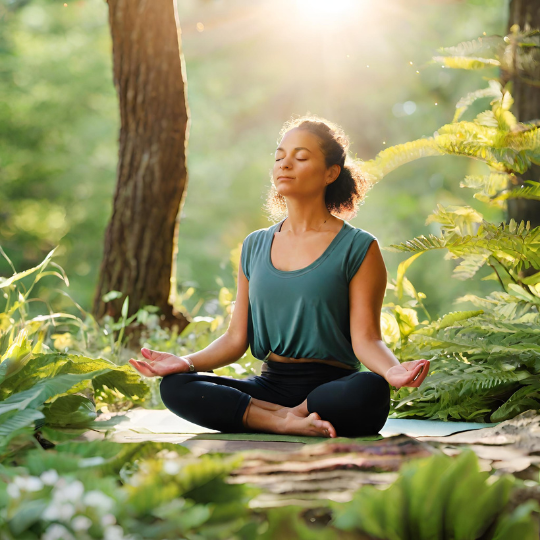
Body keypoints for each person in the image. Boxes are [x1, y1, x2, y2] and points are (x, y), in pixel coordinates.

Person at [129, 115, 430, 439]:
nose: (285, 164)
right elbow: (235, 339)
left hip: (331, 389)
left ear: (331, 173)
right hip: (269, 385)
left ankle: (281, 415)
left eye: (300, 157)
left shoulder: (359, 247)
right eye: (279, 157)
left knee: (369, 389)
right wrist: (184, 362)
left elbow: (367, 340)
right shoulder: (255, 245)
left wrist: (392, 369)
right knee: (176, 386)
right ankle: (282, 420)